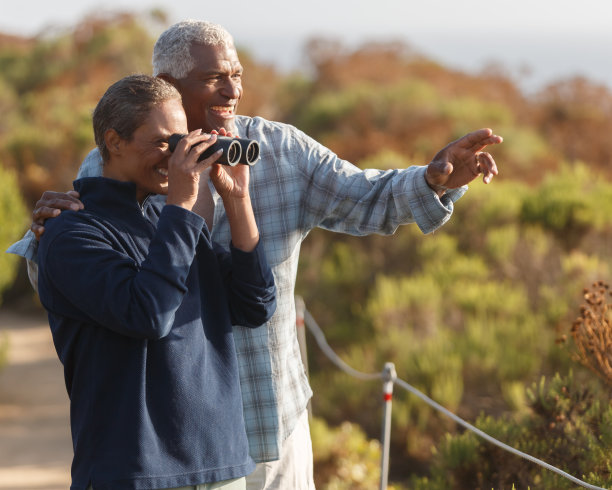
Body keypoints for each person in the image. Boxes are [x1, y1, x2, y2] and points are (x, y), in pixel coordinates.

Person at [8, 20, 503, 490]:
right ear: (166, 84)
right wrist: (46, 230)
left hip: (270, 418)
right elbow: (74, 277)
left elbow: (365, 198)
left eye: (237, 75)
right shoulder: (128, 162)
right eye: (214, 78)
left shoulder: (278, 149)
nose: (232, 91)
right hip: (166, 435)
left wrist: (432, 180)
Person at [36, 74, 276, 489]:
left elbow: (255, 305)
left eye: (183, 140)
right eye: (165, 142)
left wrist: (238, 200)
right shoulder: (71, 233)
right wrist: (181, 204)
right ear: (114, 141)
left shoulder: (167, 223)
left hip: (219, 465)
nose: (178, 154)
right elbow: (148, 314)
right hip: (134, 471)